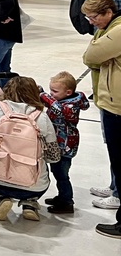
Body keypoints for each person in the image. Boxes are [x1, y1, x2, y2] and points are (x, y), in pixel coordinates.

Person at [0, 76, 58, 222]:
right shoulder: (42, 117)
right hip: (33, 184)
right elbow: (53, 156)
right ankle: (30, 203)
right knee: (43, 174)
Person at [81, 0, 121, 238]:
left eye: (94, 17)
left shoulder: (117, 32)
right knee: (115, 156)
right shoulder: (109, 28)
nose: (90, 22)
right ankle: (115, 188)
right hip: (111, 103)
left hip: (117, 107)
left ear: (108, 12)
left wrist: (97, 45)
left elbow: (91, 56)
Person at [40, 71, 89, 215]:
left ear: (68, 92)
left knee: (62, 174)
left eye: (55, 91)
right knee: (57, 172)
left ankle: (66, 202)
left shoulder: (70, 107)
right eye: (50, 90)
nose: (51, 94)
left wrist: (43, 96)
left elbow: (57, 109)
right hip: (59, 144)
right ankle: (62, 196)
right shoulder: (63, 101)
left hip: (65, 146)